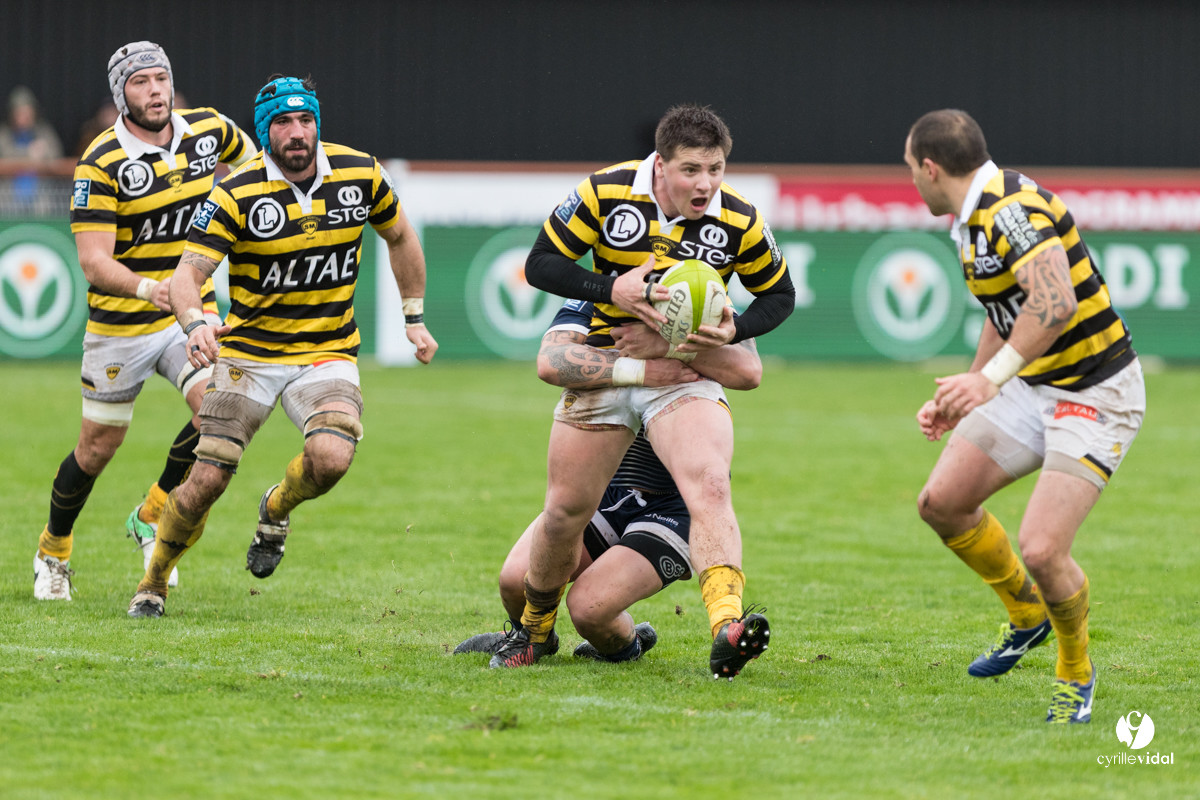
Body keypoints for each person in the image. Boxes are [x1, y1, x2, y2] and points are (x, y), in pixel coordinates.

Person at [492, 104, 795, 678]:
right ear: (660, 165)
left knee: (709, 480)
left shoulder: (739, 219)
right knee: (564, 511)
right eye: (691, 170)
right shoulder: (605, 192)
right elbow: (540, 264)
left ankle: (727, 624)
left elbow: (779, 296)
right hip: (614, 361)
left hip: (683, 369)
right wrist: (612, 287)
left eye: (717, 168)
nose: (705, 184)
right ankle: (532, 633)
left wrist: (736, 328)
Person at [126, 74, 438, 618]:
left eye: (306, 120)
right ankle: (153, 581)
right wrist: (195, 322)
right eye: (283, 123)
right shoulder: (236, 190)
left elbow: (401, 235)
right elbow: (187, 272)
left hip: (327, 350)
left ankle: (276, 506)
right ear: (264, 131)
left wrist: (414, 316)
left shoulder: (361, 173)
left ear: (318, 123)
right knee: (205, 481)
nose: (297, 133)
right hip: (249, 355)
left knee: (333, 457)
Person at [904, 109, 1146, 724]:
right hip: (1033, 384)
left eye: (912, 171)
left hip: (1095, 392)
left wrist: (988, 378)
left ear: (932, 168)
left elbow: (1055, 300)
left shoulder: (1010, 211)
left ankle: (1076, 672)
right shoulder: (972, 217)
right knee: (942, 502)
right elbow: (1005, 307)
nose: (913, 183)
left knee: (1043, 549)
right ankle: (1025, 613)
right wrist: (969, 388)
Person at [32, 42, 256, 601]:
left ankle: (151, 514)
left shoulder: (210, 130)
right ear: (120, 94)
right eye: (140, 83)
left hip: (192, 310)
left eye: (161, 79)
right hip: (122, 323)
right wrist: (149, 288)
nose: (155, 91)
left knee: (221, 416)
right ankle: (53, 549)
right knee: (97, 448)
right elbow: (93, 260)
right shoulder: (101, 161)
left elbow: (255, 166)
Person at [455, 300, 762, 662]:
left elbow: (748, 370)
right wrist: (640, 369)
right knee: (514, 581)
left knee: (589, 609)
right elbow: (550, 361)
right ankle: (533, 635)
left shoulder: (696, 299)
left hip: (672, 508)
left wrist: (666, 347)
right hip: (607, 494)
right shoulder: (596, 294)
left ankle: (630, 644)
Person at [0, 85, 64, 211]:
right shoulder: (4, 135)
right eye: (20, 112)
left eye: (27, 112)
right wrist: (28, 154)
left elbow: (57, 158)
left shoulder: (44, 132)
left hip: (40, 198)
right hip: (8, 199)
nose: (24, 116)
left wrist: (43, 155)